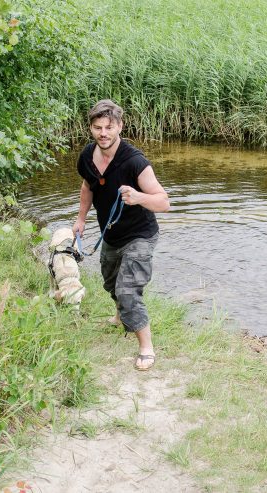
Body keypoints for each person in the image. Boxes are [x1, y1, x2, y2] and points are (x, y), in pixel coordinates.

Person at [73, 100, 170, 371]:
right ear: (91, 128)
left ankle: (146, 347)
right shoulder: (87, 156)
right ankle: (119, 317)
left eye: (109, 127)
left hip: (140, 234)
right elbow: (87, 186)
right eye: (97, 128)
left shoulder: (134, 161)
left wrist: (139, 196)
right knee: (111, 283)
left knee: (128, 290)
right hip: (111, 235)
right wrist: (81, 219)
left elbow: (164, 202)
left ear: (120, 126)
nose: (103, 133)